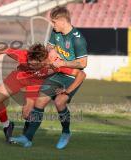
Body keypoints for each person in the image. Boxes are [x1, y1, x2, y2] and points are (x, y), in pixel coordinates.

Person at [11, 6, 88, 149]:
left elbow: (83, 64)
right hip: (58, 73)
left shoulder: (78, 39)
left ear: (62, 21)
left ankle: (66, 132)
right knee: (39, 101)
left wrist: (64, 62)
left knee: (60, 102)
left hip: (73, 77)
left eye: (54, 22)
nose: (52, 25)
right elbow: (49, 47)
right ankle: (27, 138)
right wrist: (51, 51)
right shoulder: (55, 32)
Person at [0, 43, 86, 144]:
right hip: (19, 76)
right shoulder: (23, 55)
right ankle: (7, 126)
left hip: (36, 84)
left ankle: (26, 135)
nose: (31, 66)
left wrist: (67, 92)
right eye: (29, 63)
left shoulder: (54, 63)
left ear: (43, 60)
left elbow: (81, 74)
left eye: (35, 65)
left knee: (27, 113)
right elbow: (3, 49)